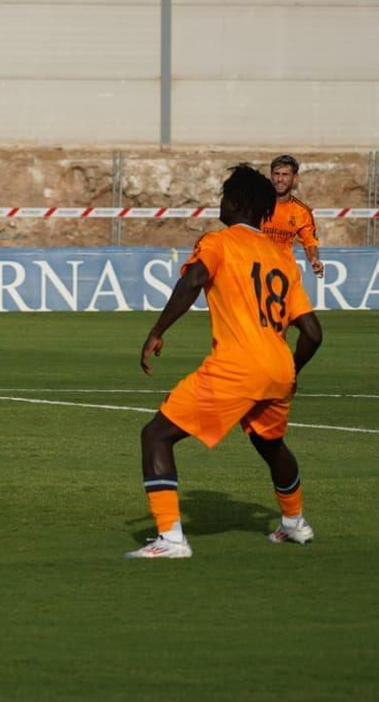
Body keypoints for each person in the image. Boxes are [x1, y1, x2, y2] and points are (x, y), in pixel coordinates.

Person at [129, 164, 324, 560]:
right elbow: (313, 333)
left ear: (235, 202)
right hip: (278, 366)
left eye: (223, 195)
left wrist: (157, 330)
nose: (220, 202)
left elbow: (193, 280)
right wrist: (290, 373)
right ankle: (294, 525)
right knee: (270, 443)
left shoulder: (219, 242)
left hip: (238, 365)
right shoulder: (281, 257)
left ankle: (170, 540)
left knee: (156, 435)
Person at [264, 154, 324, 278]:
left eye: (285, 175)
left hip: (282, 272)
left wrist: (314, 259)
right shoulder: (257, 204)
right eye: (276, 174)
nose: (280, 179)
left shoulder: (301, 211)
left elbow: (309, 242)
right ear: (271, 175)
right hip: (254, 269)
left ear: (294, 177)